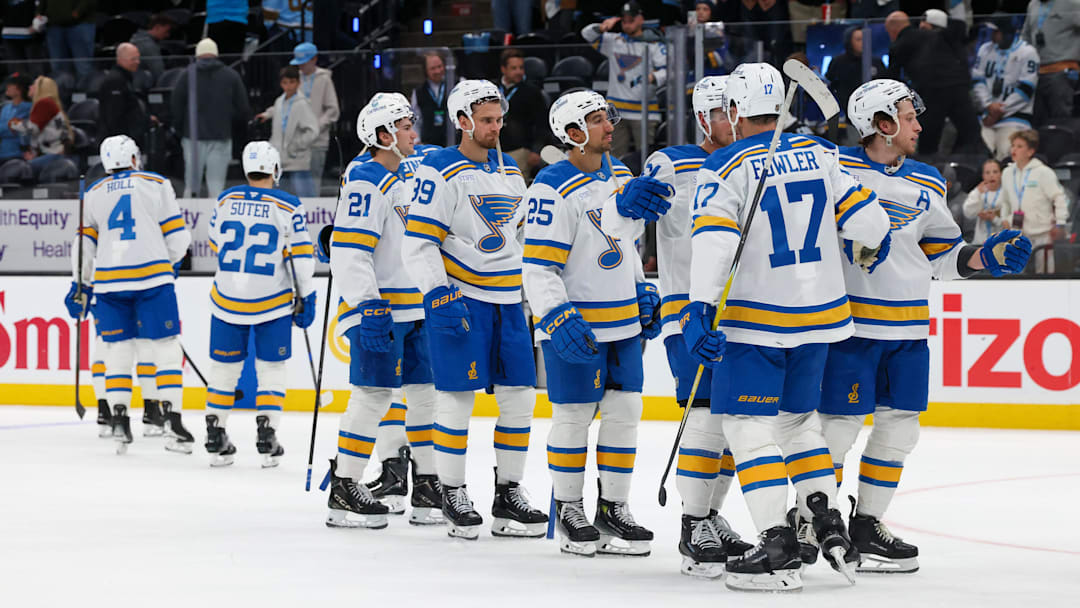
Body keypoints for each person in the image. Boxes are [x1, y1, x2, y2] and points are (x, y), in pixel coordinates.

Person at [684, 63, 891, 592]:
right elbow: (870, 224)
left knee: (747, 431)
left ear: (733, 110)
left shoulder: (726, 165)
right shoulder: (823, 155)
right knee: (800, 426)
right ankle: (826, 524)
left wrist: (700, 308)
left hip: (755, 321)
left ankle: (776, 544)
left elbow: (713, 243)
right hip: (820, 318)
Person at [819, 79, 1032, 574]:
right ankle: (817, 518)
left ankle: (867, 524)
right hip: (850, 329)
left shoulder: (927, 181)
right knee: (837, 430)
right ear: (881, 124)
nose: (919, 125)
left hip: (910, 333)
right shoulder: (833, 170)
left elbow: (942, 258)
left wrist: (986, 257)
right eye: (908, 117)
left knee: (899, 431)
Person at [602, 76, 752, 577]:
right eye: (726, 111)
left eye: (740, 109)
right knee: (707, 415)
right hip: (688, 307)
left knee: (734, 425)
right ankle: (692, 523)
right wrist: (624, 205)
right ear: (705, 117)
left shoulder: (755, 163)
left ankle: (710, 512)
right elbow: (624, 227)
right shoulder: (670, 162)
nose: (734, 119)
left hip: (747, 308)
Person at [401, 80, 547, 540]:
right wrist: (437, 292)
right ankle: (452, 490)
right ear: (461, 120)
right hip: (462, 298)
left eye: (498, 118)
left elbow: (520, 239)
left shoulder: (510, 172)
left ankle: (508, 492)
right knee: (456, 399)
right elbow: (418, 242)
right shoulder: (438, 170)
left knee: (520, 398)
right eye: (486, 120)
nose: (495, 127)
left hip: (508, 300)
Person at [522, 90, 659, 558]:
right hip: (576, 323)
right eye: (598, 120)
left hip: (622, 323)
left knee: (625, 414)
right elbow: (538, 266)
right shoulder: (549, 187)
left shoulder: (620, 174)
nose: (609, 126)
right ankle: (568, 507)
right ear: (573, 133)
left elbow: (626, 247)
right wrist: (556, 315)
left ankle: (614, 507)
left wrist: (643, 286)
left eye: (607, 118)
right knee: (574, 416)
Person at [323, 93, 441, 528]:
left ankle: (427, 481)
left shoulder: (405, 175)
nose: (414, 133)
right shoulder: (367, 180)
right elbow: (350, 251)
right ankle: (345, 486)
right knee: (372, 395)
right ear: (384, 135)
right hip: (378, 308)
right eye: (407, 126)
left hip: (415, 307)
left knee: (424, 394)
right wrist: (368, 303)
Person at [65, 135, 195, 454]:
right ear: (135, 158)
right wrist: (171, 262)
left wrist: (79, 284)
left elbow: (84, 247)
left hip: (109, 282)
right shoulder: (156, 182)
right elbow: (178, 235)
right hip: (152, 277)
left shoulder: (93, 193)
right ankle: (172, 421)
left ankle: (119, 419)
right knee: (165, 346)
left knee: (117, 350)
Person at [203, 141, 315, 467]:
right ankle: (267, 431)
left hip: (226, 298)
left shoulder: (226, 199)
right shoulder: (289, 205)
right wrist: (306, 295)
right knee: (271, 369)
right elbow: (302, 259)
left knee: (223, 370)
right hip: (273, 300)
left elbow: (215, 241)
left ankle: (215, 430)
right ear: (275, 169)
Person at [885, 11, 980, 155]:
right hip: (957, 87)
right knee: (970, 133)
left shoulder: (904, 42)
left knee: (928, 140)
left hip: (932, 92)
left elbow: (892, 78)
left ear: (892, 30)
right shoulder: (945, 37)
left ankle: (927, 170)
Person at [581, 1, 668, 158]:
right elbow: (586, 33)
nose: (627, 24)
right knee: (614, 157)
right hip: (616, 110)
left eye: (631, 20)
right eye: (624, 20)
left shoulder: (653, 43)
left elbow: (669, 70)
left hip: (645, 111)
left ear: (641, 19)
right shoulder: (614, 41)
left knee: (646, 158)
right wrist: (601, 27)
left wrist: (654, 77)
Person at [171, 38, 251, 199]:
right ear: (216, 54)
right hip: (221, 136)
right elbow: (243, 109)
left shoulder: (186, 75)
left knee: (191, 187)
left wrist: (180, 129)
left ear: (197, 54)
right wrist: (228, 123)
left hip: (192, 138)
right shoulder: (231, 76)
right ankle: (216, 221)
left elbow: (175, 106)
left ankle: (190, 219)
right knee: (216, 187)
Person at [999, 129, 1069, 273]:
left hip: (1042, 233)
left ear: (1030, 151)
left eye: (1019, 146)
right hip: (1017, 232)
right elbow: (1004, 201)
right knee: (1016, 273)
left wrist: (1060, 223)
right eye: (1013, 145)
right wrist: (1004, 218)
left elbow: (1059, 197)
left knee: (1044, 273)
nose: (1014, 149)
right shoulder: (1007, 173)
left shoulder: (1043, 172)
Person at [973, 19, 1039, 161]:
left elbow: (1026, 89)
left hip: (1015, 118)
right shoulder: (985, 49)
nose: (992, 35)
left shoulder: (1027, 52)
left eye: (997, 32)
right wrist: (988, 105)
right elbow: (978, 81)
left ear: (1008, 34)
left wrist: (1000, 111)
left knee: (1007, 152)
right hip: (987, 117)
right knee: (980, 152)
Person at [1021, 0, 1080, 124]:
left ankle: (1064, 143)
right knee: (1038, 121)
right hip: (1036, 73)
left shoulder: (1072, 4)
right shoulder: (1033, 4)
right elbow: (1025, 36)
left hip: (1061, 72)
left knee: (1061, 120)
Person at [264, 66, 318, 198]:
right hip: (280, 162)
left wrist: (295, 146)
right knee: (279, 200)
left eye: (292, 82)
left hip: (297, 161)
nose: (288, 86)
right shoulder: (279, 102)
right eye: (285, 83)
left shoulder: (302, 104)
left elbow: (313, 131)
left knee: (307, 199)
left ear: (298, 83)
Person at [291, 43, 338, 193]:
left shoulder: (324, 79)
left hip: (317, 142)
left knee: (313, 181)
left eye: (303, 63)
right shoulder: (295, 79)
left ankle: (313, 214)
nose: (301, 67)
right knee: (297, 182)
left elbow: (333, 110)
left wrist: (316, 126)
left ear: (314, 59)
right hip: (298, 141)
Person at [9, 75, 72, 179]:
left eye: (34, 85)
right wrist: (34, 154)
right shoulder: (49, 103)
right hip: (52, 153)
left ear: (41, 89)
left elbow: (32, 128)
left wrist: (13, 124)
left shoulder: (45, 103)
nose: (30, 87)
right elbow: (40, 135)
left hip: (55, 155)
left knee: (22, 170)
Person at [496, 49, 546, 180]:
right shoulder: (493, 89)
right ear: (503, 69)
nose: (519, 71)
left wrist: (536, 150)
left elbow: (541, 123)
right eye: (514, 68)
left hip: (520, 151)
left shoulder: (532, 92)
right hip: (493, 150)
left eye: (521, 68)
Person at [826, 26, 887, 118]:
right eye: (858, 39)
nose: (863, 43)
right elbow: (830, 84)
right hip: (847, 112)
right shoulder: (838, 62)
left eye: (865, 39)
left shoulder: (876, 62)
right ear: (849, 42)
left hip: (874, 112)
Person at [99, 43, 150, 149]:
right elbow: (114, 116)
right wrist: (122, 142)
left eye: (138, 58)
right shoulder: (115, 81)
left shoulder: (125, 78)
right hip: (119, 143)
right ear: (121, 59)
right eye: (133, 59)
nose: (138, 62)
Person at [39, 0, 96, 88]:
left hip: (80, 23)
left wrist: (78, 12)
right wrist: (39, 12)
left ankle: (86, 98)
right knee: (58, 67)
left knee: (83, 66)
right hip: (54, 24)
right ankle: (60, 99)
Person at [410, 52, 449, 147]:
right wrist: (417, 140)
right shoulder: (418, 92)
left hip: (453, 143)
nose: (437, 71)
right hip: (429, 144)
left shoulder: (456, 84)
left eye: (440, 66)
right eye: (433, 68)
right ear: (425, 71)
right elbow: (415, 119)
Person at [963, 158, 1006, 245]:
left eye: (995, 172)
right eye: (987, 173)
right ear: (983, 176)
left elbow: (1009, 223)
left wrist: (994, 218)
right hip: (980, 243)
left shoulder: (1006, 193)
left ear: (1001, 174)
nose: (991, 175)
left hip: (1001, 243)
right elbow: (968, 213)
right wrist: (978, 192)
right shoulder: (978, 191)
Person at [130, 13, 175, 81]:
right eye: (167, 31)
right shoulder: (149, 46)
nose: (167, 35)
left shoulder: (136, 39)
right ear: (157, 27)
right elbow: (159, 74)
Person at [0, 73, 31, 163]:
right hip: (2, 153)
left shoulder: (28, 107)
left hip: (18, 155)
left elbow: (15, 130)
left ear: (19, 89)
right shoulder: (6, 108)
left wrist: (6, 127)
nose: (7, 87)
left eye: (11, 85)